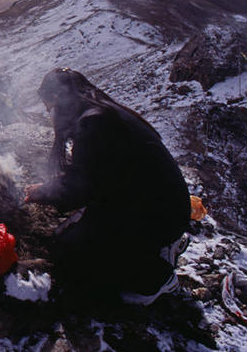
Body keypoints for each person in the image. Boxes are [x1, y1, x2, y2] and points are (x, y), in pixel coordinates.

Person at [24, 68, 191, 305]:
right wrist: (51, 186)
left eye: (48, 106)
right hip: (150, 204)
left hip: (158, 215)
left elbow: (83, 187)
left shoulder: (94, 123)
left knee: (71, 254)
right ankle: (153, 246)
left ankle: (156, 276)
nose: (49, 113)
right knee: (69, 236)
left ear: (59, 98)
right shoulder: (102, 114)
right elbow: (95, 173)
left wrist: (44, 193)